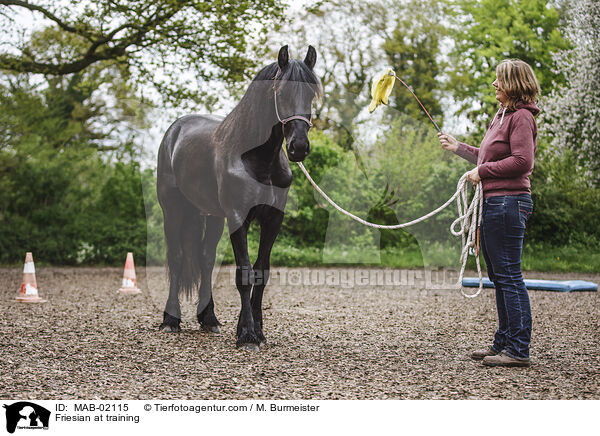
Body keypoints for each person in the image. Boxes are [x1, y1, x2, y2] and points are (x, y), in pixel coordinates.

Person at [438, 59, 541, 367]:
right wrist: (458, 148)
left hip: (509, 203)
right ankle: (504, 343)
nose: (495, 85)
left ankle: (518, 350)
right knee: (500, 275)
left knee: (509, 275)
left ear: (514, 85)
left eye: (500, 80)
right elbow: (487, 156)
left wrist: (481, 171)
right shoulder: (502, 116)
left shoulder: (521, 117)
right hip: (497, 204)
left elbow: (523, 162)